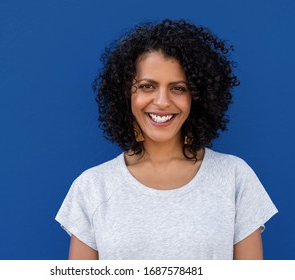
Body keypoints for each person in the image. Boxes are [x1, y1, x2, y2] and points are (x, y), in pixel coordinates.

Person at [55, 19, 278, 260]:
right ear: (126, 94)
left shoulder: (234, 177)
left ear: (197, 97)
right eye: (147, 86)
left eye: (178, 88)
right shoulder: (92, 188)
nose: (162, 101)